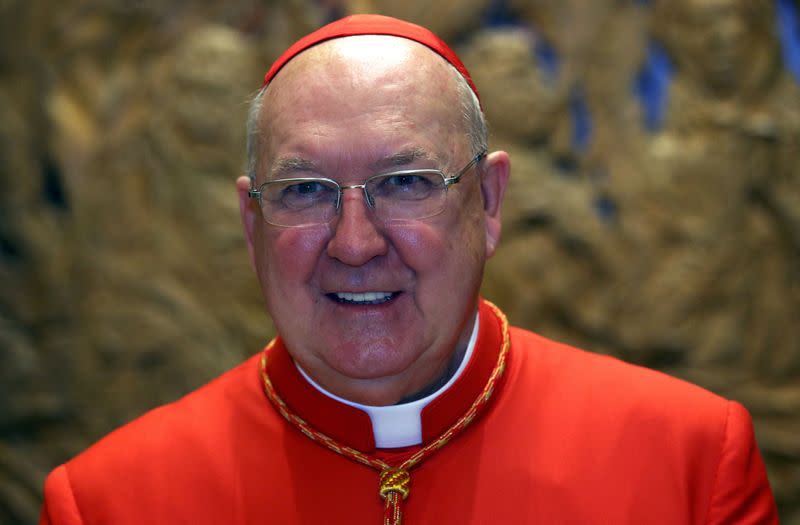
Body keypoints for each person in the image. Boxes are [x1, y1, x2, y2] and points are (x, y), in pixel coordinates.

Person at [39, 14, 779, 525]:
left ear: (488, 203)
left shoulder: (685, 462)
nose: (355, 242)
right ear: (250, 222)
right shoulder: (112, 501)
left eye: (405, 182)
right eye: (304, 190)